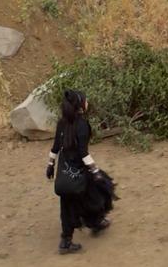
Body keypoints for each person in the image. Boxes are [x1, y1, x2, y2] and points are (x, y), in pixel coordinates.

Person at [46, 89, 116, 254]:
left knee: (68, 204)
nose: (87, 102)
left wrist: (50, 165)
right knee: (100, 189)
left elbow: (55, 148)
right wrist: (96, 171)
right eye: (86, 100)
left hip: (64, 173)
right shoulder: (82, 125)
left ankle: (66, 241)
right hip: (80, 170)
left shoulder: (61, 123)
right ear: (80, 105)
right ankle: (96, 222)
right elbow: (83, 153)